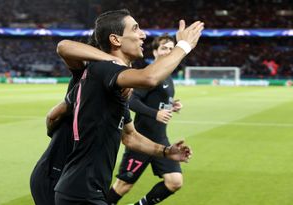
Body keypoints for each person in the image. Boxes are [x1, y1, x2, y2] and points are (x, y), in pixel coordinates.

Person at [54, 9, 204, 205]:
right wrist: (184, 45)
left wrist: (166, 152)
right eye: (136, 29)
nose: (143, 34)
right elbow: (149, 78)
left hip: (86, 190)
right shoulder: (104, 69)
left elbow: (130, 136)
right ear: (116, 40)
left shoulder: (117, 87)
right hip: (80, 193)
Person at [30, 36, 127, 205]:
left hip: (76, 177)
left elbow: (130, 136)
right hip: (55, 172)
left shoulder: (114, 90)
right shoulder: (86, 76)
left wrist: (164, 151)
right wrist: (113, 59)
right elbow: (64, 46)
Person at [108, 34, 184, 205]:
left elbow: (157, 101)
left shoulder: (168, 75)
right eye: (164, 48)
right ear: (155, 52)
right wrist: (154, 114)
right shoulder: (151, 74)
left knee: (175, 182)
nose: (169, 51)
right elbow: (132, 100)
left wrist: (173, 105)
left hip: (160, 138)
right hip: (141, 140)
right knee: (123, 186)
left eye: (172, 49)